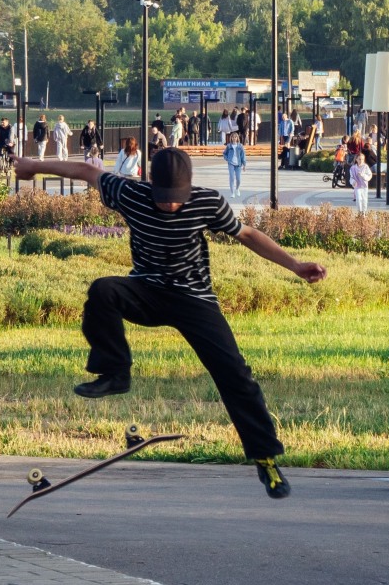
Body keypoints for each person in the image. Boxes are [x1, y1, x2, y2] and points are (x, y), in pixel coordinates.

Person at [16, 144, 322, 499]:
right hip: (146, 291)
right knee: (103, 290)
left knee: (235, 373)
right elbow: (86, 171)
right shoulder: (130, 192)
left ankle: (265, 459)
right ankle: (115, 373)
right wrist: (33, 166)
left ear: (189, 189)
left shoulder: (207, 202)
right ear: (150, 184)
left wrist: (296, 266)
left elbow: (248, 235)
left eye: (176, 199)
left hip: (194, 300)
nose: (169, 205)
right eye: (163, 198)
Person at [222, 132, 247, 198]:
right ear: (231, 138)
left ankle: (237, 189)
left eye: (235, 137)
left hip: (238, 164)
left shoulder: (240, 146)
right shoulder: (229, 146)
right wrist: (227, 159)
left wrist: (244, 165)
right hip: (231, 164)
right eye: (233, 137)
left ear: (237, 138)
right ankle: (232, 192)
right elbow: (224, 153)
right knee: (232, 178)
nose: (234, 138)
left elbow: (243, 155)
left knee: (238, 179)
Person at [348, 148, 371, 213]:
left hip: (364, 186)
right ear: (356, 159)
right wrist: (353, 182)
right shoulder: (353, 168)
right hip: (357, 186)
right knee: (358, 198)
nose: (361, 161)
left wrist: (363, 176)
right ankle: (359, 211)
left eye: (362, 159)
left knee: (364, 199)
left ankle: (364, 212)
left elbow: (369, 175)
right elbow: (351, 177)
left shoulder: (366, 167)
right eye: (359, 159)